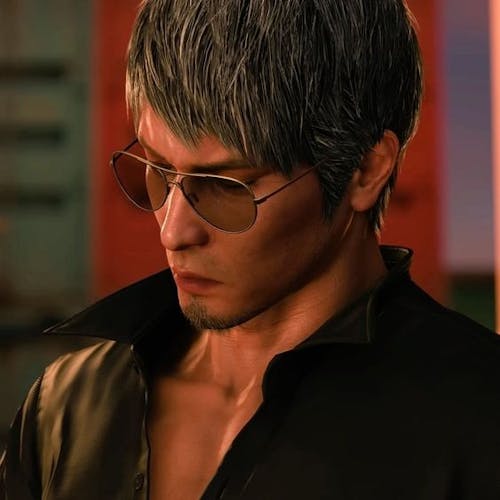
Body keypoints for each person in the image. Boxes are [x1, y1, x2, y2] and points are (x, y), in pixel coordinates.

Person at [2, 0, 500, 498]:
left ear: (365, 170)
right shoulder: (66, 407)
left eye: (227, 187)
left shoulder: (480, 419)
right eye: (157, 170)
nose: (173, 232)